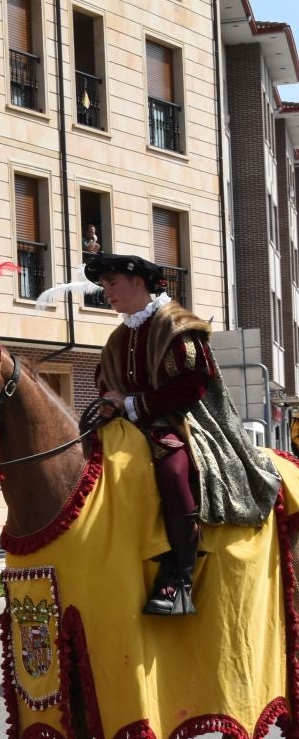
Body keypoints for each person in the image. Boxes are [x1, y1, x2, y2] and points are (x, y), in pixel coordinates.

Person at [82, 251, 281, 616]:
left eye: (112, 283)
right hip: (125, 426)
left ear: (138, 282)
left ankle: (180, 577)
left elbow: (193, 385)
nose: (106, 292)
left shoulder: (173, 325)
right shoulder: (117, 338)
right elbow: (105, 384)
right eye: (104, 285)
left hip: (180, 423)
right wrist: (109, 405)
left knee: (174, 472)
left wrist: (133, 404)